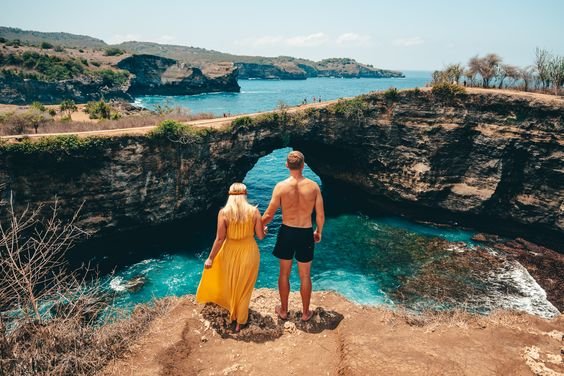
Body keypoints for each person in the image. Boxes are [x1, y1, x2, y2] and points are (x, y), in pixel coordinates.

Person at [262, 151, 325, 322]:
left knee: (284, 274)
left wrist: (258, 225)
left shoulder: (281, 186)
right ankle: (305, 313)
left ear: (287, 166)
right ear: (303, 165)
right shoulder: (313, 187)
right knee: (305, 275)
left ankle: (283, 311)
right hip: (305, 232)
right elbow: (320, 215)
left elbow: (269, 214)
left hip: (287, 232)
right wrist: (318, 231)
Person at [196, 183, 265, 332]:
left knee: (232, 283)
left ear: (230, 195)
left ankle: (232, 313)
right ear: (245, 194)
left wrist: (210, 258)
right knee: (245, 287)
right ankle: (240, 320)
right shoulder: (254, 211)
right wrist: (263, 229)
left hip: (230, 251)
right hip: (249, 251)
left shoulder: (224, 213)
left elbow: (220, 239)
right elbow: (260, 236)